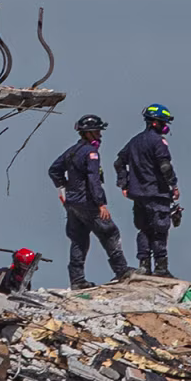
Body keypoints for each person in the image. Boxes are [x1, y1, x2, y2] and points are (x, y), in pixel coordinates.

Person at [48, 114, 132, 289]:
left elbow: (54, 170)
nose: (100, 135)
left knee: (79, 240)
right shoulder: (91, 153)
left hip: (72, 203)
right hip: (88, 203)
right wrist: (101, 204)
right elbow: (94, 180)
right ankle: (122, 271)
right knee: (110, 232)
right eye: (97, 131)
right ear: (88, 133)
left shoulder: (72, 151)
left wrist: (65, 187)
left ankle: (77, 280)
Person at [114, 104, 181, 277]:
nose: (165, 127)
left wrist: (124, 184)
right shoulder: (158, 142)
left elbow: (119, 163)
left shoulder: (134, 141)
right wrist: (173, 185)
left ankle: (144, 265)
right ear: (155, 123)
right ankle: (161, 268)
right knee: (160, 230)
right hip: (157, 194)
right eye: (163, 123)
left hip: (138, 195)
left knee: (143, 229)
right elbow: (165, 167)